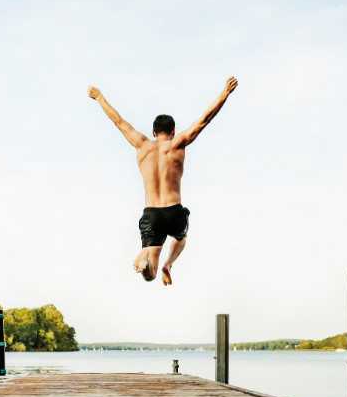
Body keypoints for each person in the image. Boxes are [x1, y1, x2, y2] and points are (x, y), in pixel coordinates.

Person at [87, 77, 239, 286]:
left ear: (153, 132)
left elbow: (118, 122)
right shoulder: (178, 144)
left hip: (151, 214)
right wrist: (225, 93)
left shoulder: (142, 145)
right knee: (181, 237)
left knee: (150, 275)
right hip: (173, 211)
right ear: (173, 131)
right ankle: (169, 264)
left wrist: (99, 97)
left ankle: (144, 255)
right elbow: (205, 119)